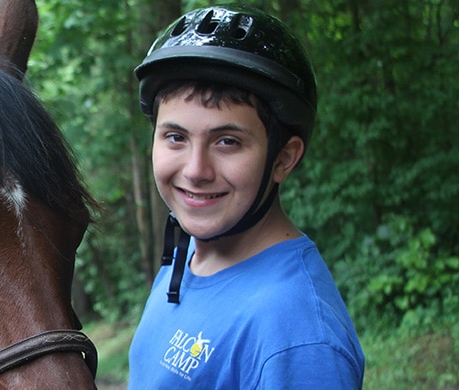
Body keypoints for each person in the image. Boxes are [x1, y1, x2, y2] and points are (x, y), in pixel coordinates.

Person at [128, 4, 365, 389]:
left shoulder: (297, 337)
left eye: (227, 141)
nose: (195, 170)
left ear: (283, 159)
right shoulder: (185, 256)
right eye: (176, 137)